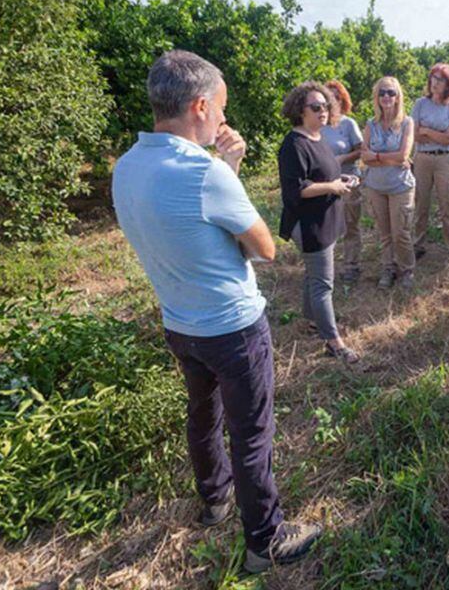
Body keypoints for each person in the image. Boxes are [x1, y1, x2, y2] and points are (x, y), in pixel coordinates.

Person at [112, 50, 320, 574]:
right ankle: (265, 540)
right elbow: (264, 248)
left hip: (179, 320)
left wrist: (221, 169)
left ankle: (215, 500)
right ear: (200, 105)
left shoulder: (128, 166)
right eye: (221, 110)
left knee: (203, 413)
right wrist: (228, 171)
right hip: (231, 325)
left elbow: (185, 232)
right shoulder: (205, 173)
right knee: (252, 431)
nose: (225, 121)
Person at [276, 81, 359, 364]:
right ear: (300, 110)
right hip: (310, 223)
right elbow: (296, 190)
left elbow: (324, 174)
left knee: (314, 276)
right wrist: (332, 187)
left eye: (325, 106)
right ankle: (333, 342)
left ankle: (312, 321)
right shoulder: (293, 144)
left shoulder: (317, 137)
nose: (322, 111)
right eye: (315, 107)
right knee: (324, 283)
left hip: (325, 218)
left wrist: (341, 180)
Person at [361, 77, 417, 289]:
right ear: (377, 96)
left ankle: (406, 271)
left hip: (400, 186)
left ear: (398, 97)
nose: (386, 96)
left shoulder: (406, 123)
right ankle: (388, 269)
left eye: (391, 93)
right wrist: (387, 157)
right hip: (376, 187)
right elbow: (363, 157)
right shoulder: (370, 124)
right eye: (383, 92)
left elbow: (404, 155)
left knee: (400, 233)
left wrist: (374, 156)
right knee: (384, 234)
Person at [411, 63, 449, 258]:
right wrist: (435, 134)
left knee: (448, 203)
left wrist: (426, 130)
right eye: (433, 77)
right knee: (420, 203)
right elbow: (414, 135)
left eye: (440, 79)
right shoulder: (420, 104)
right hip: (423, 158)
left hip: (445, 160)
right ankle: (418, 244)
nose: (435, 82)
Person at [321, 80, 364, 285]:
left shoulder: (348, 124)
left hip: (348, 181)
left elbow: (361, 150)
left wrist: (341, 159)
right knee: (325, 226)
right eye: (328, 97)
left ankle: (351, 266)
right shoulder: (317, 125)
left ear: (342, 100)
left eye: (336, 97)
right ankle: (325, 268)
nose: (332, 102)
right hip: (323, 184)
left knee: (349, 224)